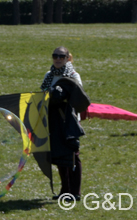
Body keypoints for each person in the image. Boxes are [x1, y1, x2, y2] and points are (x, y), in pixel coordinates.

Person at [40, 46, 88, 201]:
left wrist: (61, 94)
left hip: (69, 122)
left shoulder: (74, 75)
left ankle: (75, 192)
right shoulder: (49, 75)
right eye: (55, 56)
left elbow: (77, 98)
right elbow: (42, 95)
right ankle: (64, 191)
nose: (58, 59)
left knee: (73, 155)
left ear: (68, 58)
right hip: (53, 120)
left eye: (61, 56)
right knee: (60, 156)